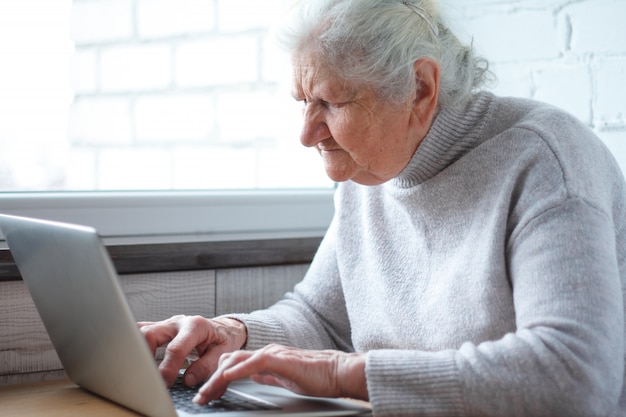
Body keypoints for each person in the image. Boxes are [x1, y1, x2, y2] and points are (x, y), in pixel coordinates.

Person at [138, 0, 626, 415]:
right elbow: (321, 316)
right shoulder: (368, 170)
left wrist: (342, 372)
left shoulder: (545, 160)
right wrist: (235, 334)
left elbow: (575, 375)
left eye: (331, 102)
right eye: (302, 101)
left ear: (420, 89)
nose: (306, 134)